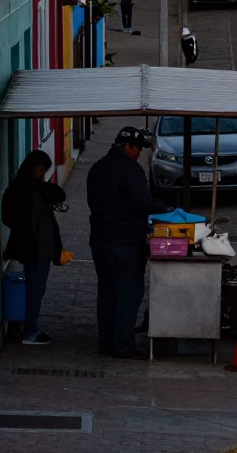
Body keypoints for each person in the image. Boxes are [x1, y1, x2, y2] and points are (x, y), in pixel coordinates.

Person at [86, 126, 155, 358]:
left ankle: (106, 343)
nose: (139, 154)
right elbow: (140, 203)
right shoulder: (132, 171)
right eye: (138, 149)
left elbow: (91, 202)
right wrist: (162, 207)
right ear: (127, 147)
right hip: (126, 244)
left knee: (106, 292)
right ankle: (123, 346)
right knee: (129, 293)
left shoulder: (96, 169)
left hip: (99, 241)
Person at [1, 150, 66, 346]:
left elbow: (7, 217)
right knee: (36, 290)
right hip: (39, 247)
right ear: (36, 168)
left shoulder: (15, 187)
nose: (43, 174)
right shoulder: (36, 189)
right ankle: (30, 332)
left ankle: (29, 327)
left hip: (27, 246)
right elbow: (60, 194)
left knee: (32, 288)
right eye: (43, 170)